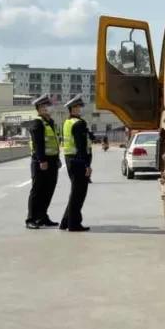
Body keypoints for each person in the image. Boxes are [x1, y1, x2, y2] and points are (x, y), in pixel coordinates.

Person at [26, 94, 60, 229]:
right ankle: (31, 219)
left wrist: (57, 159)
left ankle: (42, 216)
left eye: (47, 106)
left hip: (52, 161)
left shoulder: (49, 122)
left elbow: (54, 143)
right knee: (37, 190)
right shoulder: (37, 123)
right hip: (40, 161)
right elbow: (38, 143)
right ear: (38, 109)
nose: (46, 109)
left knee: (49, 189)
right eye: (43, 107)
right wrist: (42, 160)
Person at [58, 94, 92, 232]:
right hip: (78, 160)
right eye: (76, 107)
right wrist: (87, 165)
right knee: (78, 194)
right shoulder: (79, 123)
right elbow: (81, 146)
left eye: (79, 107)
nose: (79, 110)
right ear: (71, 109)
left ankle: (65, 222)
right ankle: (74, 224)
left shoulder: (67, 122)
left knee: (75, 192)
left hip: (70, 159)